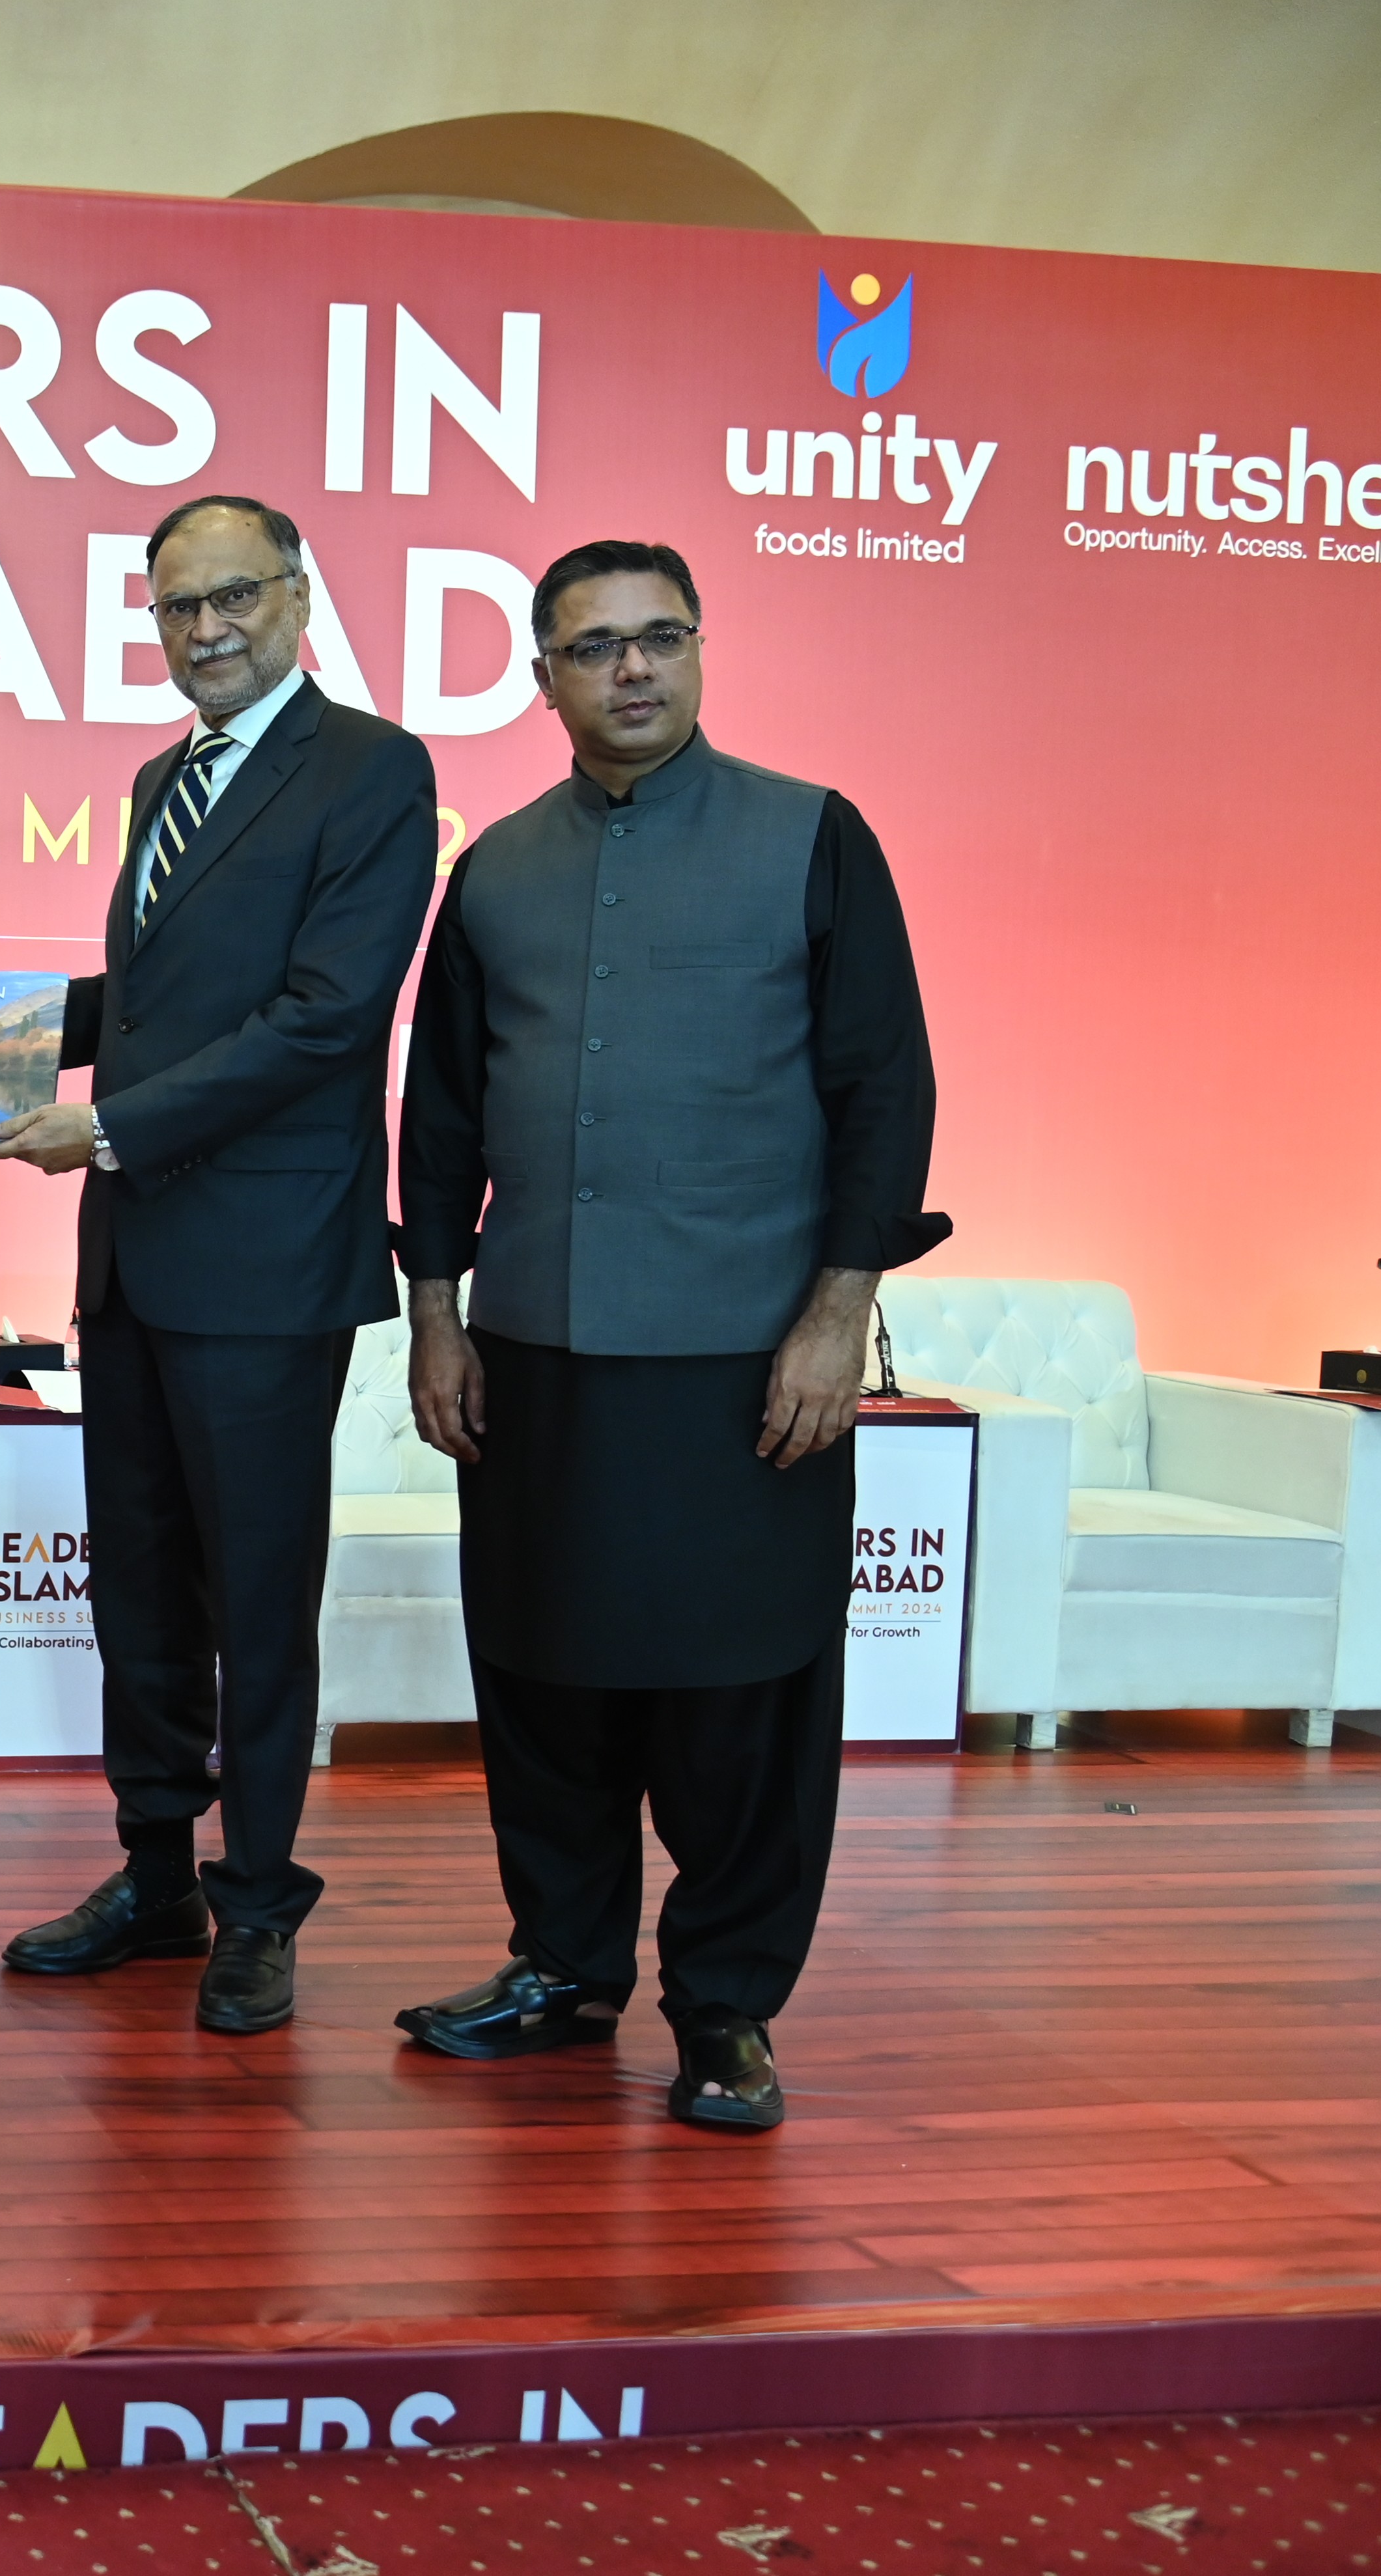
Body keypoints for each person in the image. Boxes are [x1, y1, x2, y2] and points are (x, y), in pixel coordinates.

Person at [393, 539, 943, 2132]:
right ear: (543, 673)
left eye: (660, 639)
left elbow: (883, 1094)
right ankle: (562, 1969)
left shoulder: (814, 836)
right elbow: (437, 1119)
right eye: (594, 646)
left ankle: (725, 2008)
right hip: (538, 1345)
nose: (631, 669)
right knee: (545, 1679)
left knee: (739, 1703)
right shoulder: (491, 866)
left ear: (699, 653)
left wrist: (840, 1313)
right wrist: (438, 1312)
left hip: (746, 1356)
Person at [0, 495, 437, 2038]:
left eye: (233, 596)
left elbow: (321, 1016)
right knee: (146, 1587)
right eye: (177, 608)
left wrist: (101, 1129)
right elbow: (168, 993)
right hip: (138, 1260)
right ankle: (156, 1872)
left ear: (299, 595)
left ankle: (259, 1900)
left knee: (258, 1592)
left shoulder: (375, 769)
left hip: (265, 1260)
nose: (206, 628)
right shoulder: (160, 776)